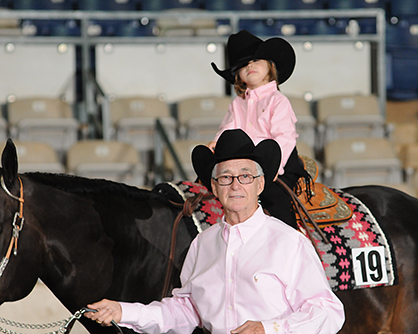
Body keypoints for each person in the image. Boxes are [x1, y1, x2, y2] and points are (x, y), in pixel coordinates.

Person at [84, 129, 345, 334]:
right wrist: (123, 312)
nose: (235, 186)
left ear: (260, 184)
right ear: (214, 186)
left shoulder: (289, 243)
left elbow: (329, 312)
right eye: (225, 177)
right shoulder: (202, 245)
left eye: (245, 176)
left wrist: (269, 329)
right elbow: (185, 312)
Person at [209, 30, 311, 229]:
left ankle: (288, 240)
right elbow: (227, 130)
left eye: (256, 61)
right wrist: (215, 143)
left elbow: (285, 137)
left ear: (270, 67)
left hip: (278, 166)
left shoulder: (278, 101)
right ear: (238, 76)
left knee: (275, 201)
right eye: (243, 65)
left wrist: (273, 166)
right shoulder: (238, 104)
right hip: (245, 166)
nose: (250, 66)